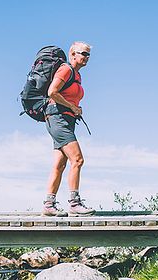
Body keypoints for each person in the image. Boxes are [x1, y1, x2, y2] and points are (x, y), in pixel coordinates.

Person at [42, 41, 95, 217]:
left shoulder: (77, 75)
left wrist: (75, 108)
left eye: (88, 55)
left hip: (65, 119)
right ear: (72, 54)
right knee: (77, 160)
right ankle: (74, 203)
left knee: (59, 164)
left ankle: (49, 205)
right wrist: (72, 107)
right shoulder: (66, 69)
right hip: (57, 118)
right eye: (83, 54)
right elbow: (52, 92)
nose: (86, 57)